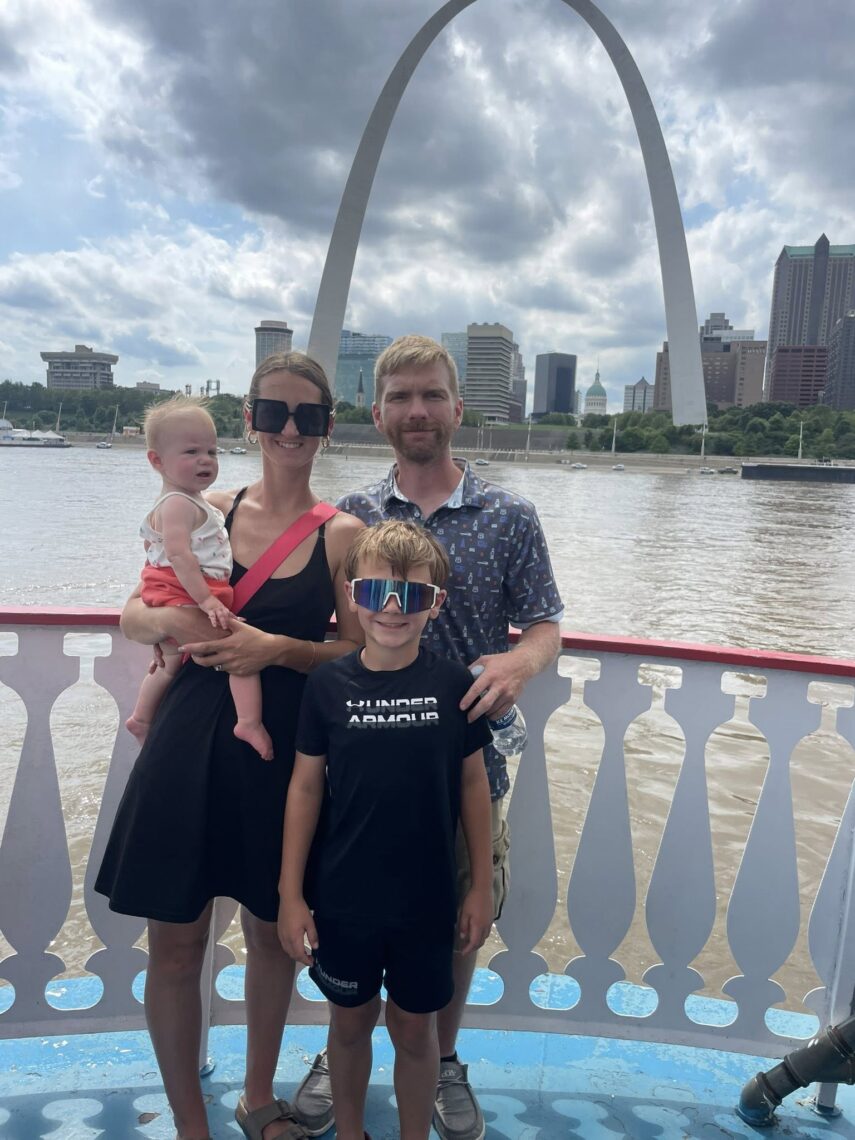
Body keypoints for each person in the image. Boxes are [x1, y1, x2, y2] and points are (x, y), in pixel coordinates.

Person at [292, 335, 563, 1140]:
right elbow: (316, 628)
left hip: (465, 759)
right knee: (348, 901)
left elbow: (546, 625)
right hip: (363, 760)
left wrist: (517, 664)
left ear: (455, 406)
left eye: (431, 395)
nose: (417, 411)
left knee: (453, 912)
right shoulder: (349, 518)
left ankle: (440, 1056)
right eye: (401, 397)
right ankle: (342, 1038)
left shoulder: (510, 514)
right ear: (377, 413)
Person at [95, 351, 364, 1140]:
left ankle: (256, 1097)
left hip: (278, 748)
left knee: (270, 934)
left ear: (325, 427)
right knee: (175, 944)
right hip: (188, 737)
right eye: (272, 413)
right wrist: (173, 623)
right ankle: (189, 1124)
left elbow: (355, 651)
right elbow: (133, 612)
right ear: (248, 419)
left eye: (306, 416)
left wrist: (273, 649)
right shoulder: (200, 506)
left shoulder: (343, 533)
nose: (288, 429)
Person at [279, 520, 494, 1140]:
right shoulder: (327, 685)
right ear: (352, 596)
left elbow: (473, 787)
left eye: (412, 596)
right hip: (343, 898)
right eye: (376, 593)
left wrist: (479, 886)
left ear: (436, 604)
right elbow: (305, 787)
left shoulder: (454, 686)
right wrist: (291, 894)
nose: (393, 611)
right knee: (347, 1026)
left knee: (414, 1030)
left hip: (426, 902)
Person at [126, 395, 273, 761]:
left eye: (212, 451)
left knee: (169, 663)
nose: (206, 460)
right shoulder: (178, 503)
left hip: (178, 594)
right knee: (239, 653)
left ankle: (142, 717)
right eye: (191, 452)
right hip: (187, 594)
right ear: (156, 461)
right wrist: (205, 602)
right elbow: (178, 555)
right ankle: (249, 721)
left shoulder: (190, 501)